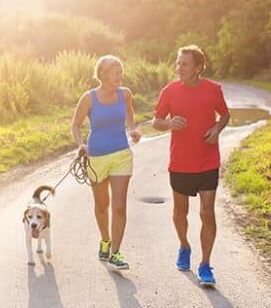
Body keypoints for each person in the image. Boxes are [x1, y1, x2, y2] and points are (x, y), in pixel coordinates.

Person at [152, 45, 230, 287]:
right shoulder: (169, 91)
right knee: (180, 212)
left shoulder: (213, 90)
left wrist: (217, 129)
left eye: (184, 64)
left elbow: (225, 114)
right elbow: (155, 121)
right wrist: (168, 123)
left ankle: (205, 264)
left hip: (207, 159)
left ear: (198, 67)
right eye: (178, 63)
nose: (179, 68)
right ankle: (184, 245)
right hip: (180, 162)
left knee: (207, 212)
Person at [71, 55, 141, 270]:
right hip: (97, 157)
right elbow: (75, 125)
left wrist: (132, 129)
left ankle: (116, 253)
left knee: (119, 206)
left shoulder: (125, 94)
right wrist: (81, 145)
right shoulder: (89, 98)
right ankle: (105, 240)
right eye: (115, 71)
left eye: (121, 70)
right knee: (102, 205)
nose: (120, 75)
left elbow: (129, 114)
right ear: (102, 74)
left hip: (121, 154)